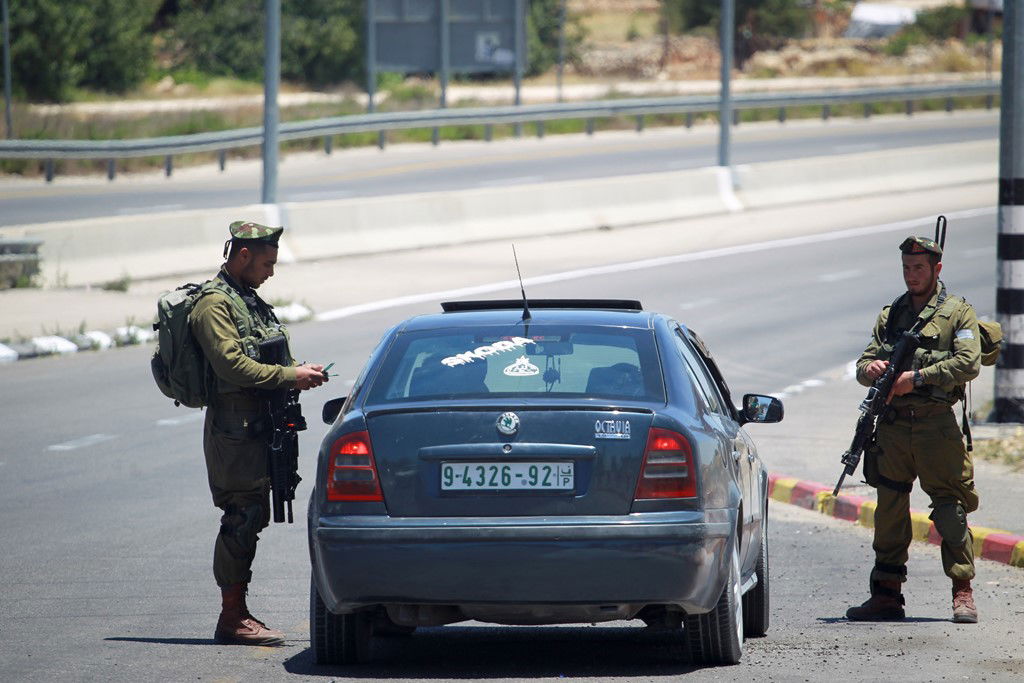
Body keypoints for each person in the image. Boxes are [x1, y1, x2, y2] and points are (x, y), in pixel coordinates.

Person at [191, 221, 327, 645]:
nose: (271, 272)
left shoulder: (246, 300)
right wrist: (290, 376)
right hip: (234, 429)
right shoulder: (214, 305)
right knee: (241, 515)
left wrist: (297, 371)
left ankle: (237, 612)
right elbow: (231, 365)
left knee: (253, 514)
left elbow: (263, 353)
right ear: (243, 256)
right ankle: (232, 617)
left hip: (256, 424)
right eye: (267, 263)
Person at [846, 235, 981, 624]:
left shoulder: (957, 313)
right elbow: (865, 360)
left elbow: (968, 363)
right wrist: (870, 369)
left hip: (935, 426)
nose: (911, 275)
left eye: (919, 268)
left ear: (937, 269)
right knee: (888, 509)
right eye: (906, 268)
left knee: (949, 509)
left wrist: (917, 378)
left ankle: (962, 592)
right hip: (892, 428)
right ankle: (886, 595)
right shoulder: (891, 315)